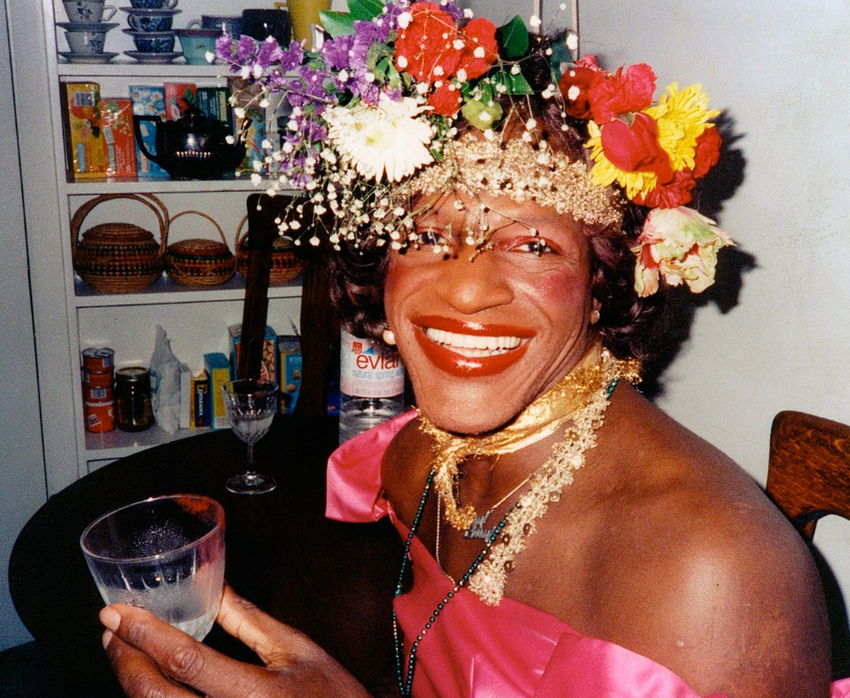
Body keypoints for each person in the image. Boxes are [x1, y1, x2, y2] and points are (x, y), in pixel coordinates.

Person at [99, 2, 850, 697]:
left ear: (602, 282)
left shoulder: (710, 576)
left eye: (531, 245)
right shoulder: (416, 461)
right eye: (426, 235)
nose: (463, 292)